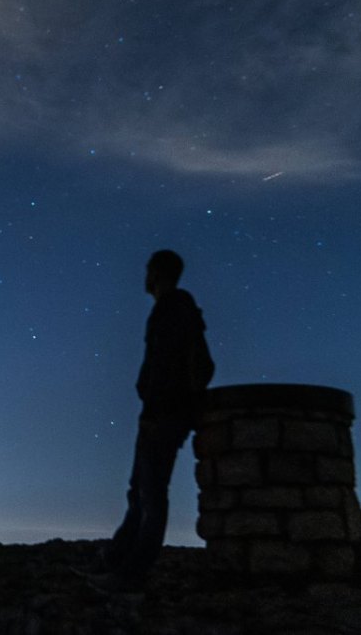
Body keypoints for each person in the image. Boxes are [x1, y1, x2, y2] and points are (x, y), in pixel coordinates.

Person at [99, 249, 214, 588]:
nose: (144, 276)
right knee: (140, 492)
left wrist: (161, 406)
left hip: (163, 416)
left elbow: (172, 366)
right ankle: (116, 562)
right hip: (160, 414)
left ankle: (131, 573)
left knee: (151, 494)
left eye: (148, 270)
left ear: (157, 273)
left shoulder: (174, 308)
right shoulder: (175, 308)